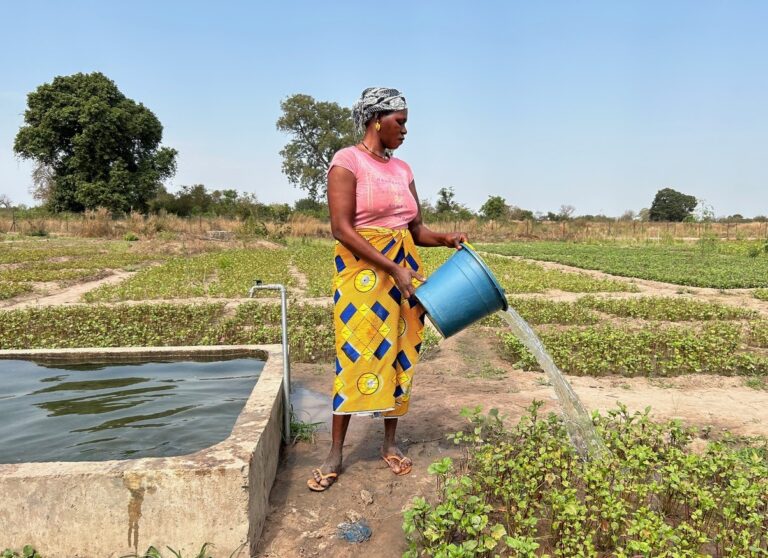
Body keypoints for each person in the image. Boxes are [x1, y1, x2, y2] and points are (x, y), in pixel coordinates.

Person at [308, 87, 468, 491]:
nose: (405, 130)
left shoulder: (404, 170)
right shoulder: (347, 161)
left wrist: (446, 238)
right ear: (377, 119)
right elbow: (341, 228)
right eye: (400, 121)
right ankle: (336, 452)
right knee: (354, 354)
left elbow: (415, 230)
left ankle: (390, 443)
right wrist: (392, 266)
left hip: (403, 272)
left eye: (406, 122)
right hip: (363, 273)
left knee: (401, 355)